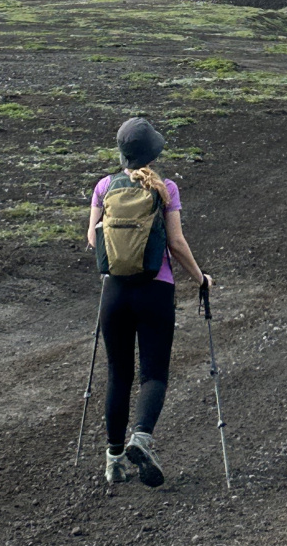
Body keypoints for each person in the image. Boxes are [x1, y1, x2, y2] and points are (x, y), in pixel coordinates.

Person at [87, 117, 211, 487]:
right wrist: (201, 278)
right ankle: (140, 438)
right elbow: (175, 244)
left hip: (114, 293)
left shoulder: (104, 186)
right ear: (153, 152)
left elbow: (94, 242)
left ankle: (113, 460)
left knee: (118, 374)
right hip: (156, 291)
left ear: (122, 152)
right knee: (153, 373)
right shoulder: (165, 187)